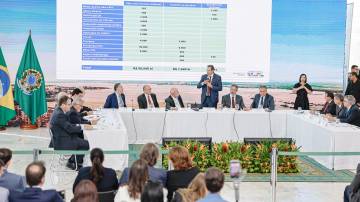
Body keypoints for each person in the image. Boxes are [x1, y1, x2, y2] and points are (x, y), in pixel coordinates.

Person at [49, 95, 90, 170]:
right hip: (63, 142)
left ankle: (73, 161)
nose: (70, 106)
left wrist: (82, 126)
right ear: (63, 105)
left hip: (62, 138)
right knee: (87, 144)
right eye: (68, 104)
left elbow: (68, 125)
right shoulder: (59, 115)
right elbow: (70, 128)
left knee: (83, 141)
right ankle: (75, 164)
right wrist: (82, 127)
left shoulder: (59, 111)